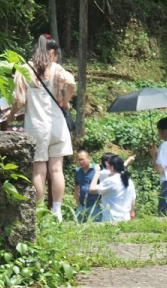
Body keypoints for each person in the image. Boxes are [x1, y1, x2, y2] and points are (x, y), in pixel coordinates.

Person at [7, 34, 75, 221]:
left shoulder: (24, 69)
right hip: (57, 126)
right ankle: (57, 211)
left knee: (39, 171)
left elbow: (19, 100)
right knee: (56, 170)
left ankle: (39, 211)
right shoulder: (56, 69)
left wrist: (11, 115)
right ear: (52, 52)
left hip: (36, 126)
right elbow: (71, 82)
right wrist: (66, 101)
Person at [88, 154, 136, 223]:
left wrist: (97, 173)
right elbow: (133, 200)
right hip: (126, 220)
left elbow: (92, 190)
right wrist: (131, 211)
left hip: (112, 220)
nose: (106, 165)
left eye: (108, 164)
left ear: (112, 167)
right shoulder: (129, 181)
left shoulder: (111, 181)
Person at [73, 149, 100, 222]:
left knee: (96, 227)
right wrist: (77, 201)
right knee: (77, 224)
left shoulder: (96, 170)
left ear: (89, 158)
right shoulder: (78, 171)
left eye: (82, 159)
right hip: (81, 205)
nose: (80, 162)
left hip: (94, 205)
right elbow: (76, 186)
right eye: (78, 160)